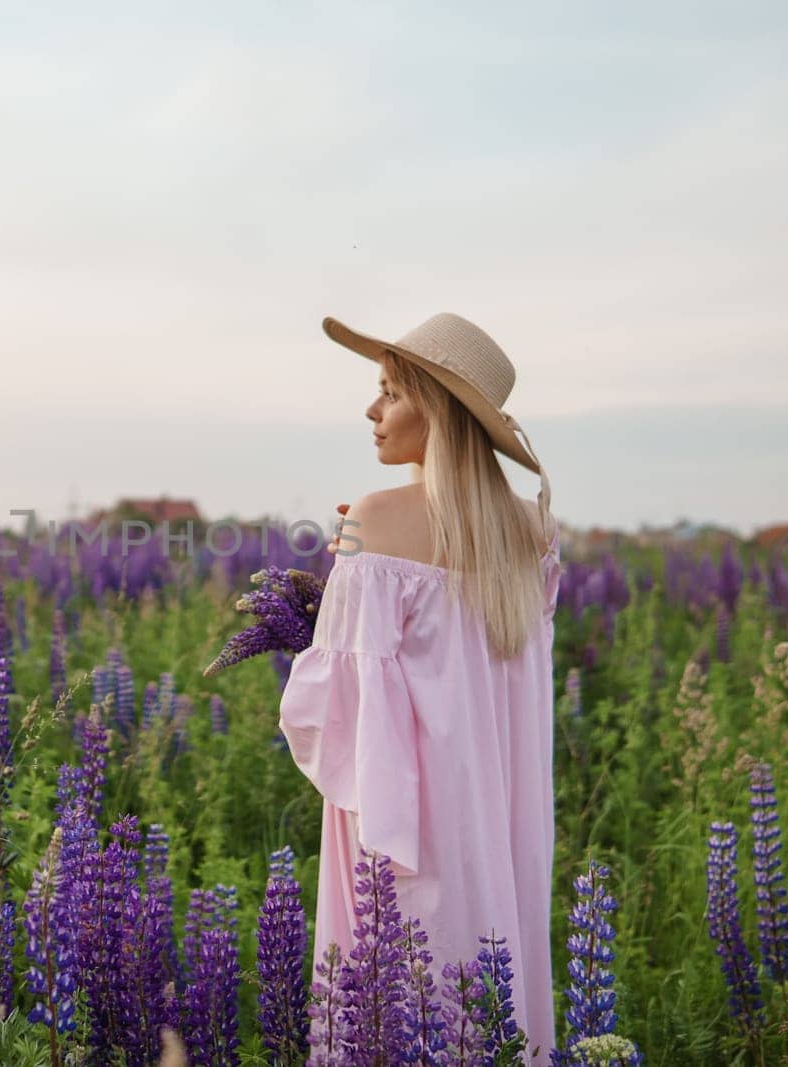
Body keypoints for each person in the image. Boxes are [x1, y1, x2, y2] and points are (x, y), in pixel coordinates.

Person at [278, 311, 562, 1064]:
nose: (372, 412)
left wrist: (340, 579)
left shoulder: (372, 520)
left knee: (394, 1013)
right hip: (500, 828)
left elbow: (330, 716)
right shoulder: (533, 535)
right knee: (487, 1015)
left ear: (434, 408)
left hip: (401, 830)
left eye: (389, 393)